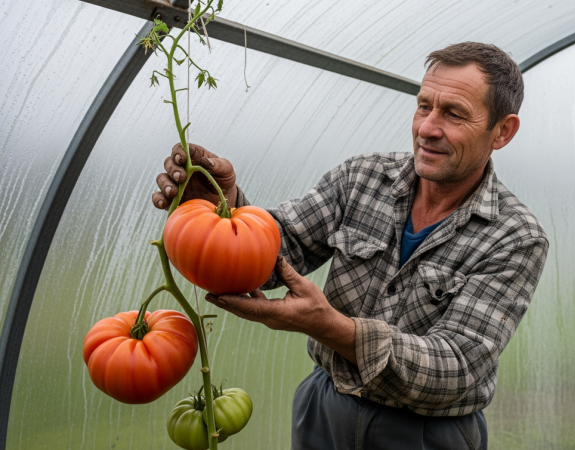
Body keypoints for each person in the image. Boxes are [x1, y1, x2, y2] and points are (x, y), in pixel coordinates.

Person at [152, 42, 548, 450]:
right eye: (424, 106)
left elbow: (456, 366)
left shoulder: (515, 236)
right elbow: (277, 255)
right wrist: (221, 209)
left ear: (502, 131)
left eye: (454, 113)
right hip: (325, 407)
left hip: (427, 433)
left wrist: (333, 328)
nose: (427, 128)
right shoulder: (362, 178)